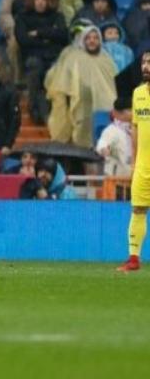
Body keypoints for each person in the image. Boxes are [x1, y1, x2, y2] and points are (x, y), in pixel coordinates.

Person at [45, 25, 118, 147]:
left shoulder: (107, 59)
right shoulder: (73, 58)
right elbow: (61, 83)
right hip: (80, 106)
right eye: (88, 38)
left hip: (103, 110)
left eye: (95, 38)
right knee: (81, 139)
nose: (92, 41)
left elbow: (114, 84)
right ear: (83, 40)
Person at [119, 52, 150, 271]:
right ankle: (133, 259)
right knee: (138, 209)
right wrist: (135, 161)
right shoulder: (138, 93)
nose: (146, 66)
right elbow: (136, 128)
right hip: (143, 164)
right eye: (144, 62)